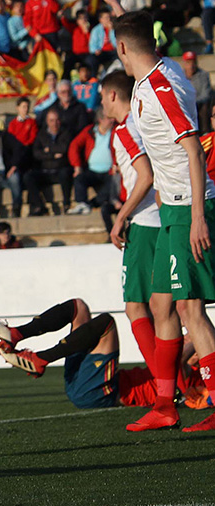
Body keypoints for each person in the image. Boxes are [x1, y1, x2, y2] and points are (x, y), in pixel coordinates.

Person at [110, 4, 215, 432]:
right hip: (173, 203)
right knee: (160, 304)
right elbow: (134, 30)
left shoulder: (158, 90)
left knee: (190, 308)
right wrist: (118, 11)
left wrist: (196, 219)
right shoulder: (158, 67)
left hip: (187, 206)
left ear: (121, 48)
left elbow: (193, 150)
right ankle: (164, 403)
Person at [0, 299, 209, 410]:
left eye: (192, 340)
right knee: (77, 308)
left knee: (106, 322)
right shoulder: (189, 368)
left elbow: (177, 356)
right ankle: (15, 334)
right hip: (88, 379)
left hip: (101, 391)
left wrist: (197, 343)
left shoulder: (195, 380)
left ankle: (40, 359)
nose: (188, 337)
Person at [101, 70, 161, 383]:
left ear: (113, 95)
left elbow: (145, 175)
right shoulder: (145, 121)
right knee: (162, 308)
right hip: (162, 218)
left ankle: (165, 382)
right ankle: (174, 380)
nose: (101, 103)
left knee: (135, 307)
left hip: (145, 222)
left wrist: (121, 217)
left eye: (102, 96)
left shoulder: (124, 130)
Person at [67, 109, 116, 215]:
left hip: (110, 171)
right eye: (109, 118)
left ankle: (91, 204)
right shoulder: (90, 131)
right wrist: (77, 165)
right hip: (92, 170)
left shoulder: (116, 131)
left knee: (112, 185)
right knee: (79, 178)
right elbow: (74, 145)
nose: (112, 120)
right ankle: (81, 203)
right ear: (100, 120)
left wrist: (116, 164)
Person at [27, 108, 73, 216]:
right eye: (52, 120)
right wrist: (53, 154)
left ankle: (66, 204)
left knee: (66, 173)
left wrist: (47, 150)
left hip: (60, 169)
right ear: (47, 121)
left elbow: (64, 148)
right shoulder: (41, 134)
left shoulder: (66, 132)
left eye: (57, 120)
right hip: (45, 170)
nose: (55, 123)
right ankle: (39, 206)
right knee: (28, 177)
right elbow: (36, 153)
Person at [181, 51, 214, 134]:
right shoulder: (179, 76)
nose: (191, 66)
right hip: (185, 105)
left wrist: (194, 102)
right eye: (188, 63)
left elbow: (206, 94)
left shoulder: (203, 75)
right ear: (184, 64)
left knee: (205, 107)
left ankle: (205, 132)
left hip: (199, 104)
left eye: (193, 62)